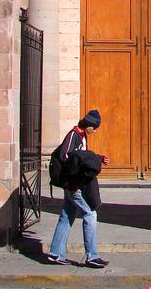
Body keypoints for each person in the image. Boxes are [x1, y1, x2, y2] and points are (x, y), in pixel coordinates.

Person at [47, 109, 110, 268]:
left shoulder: (82, 136)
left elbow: (83, 155)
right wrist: (83, 163)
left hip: (74, 184)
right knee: (90, 213)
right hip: (72, 185)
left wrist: (98, 158)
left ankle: (56, 253)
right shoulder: (74, 135)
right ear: (88, 125)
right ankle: (92, 256)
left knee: (66, 216)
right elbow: (65, 156)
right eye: (94, 128)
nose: (95, 131)